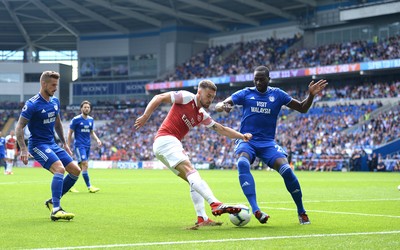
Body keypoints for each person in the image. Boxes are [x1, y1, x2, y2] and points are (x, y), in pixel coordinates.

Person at [215, 65, 328, 225]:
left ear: (269, 79)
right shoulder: (246, 93)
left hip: (267, 143)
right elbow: (222, 104)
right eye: (256, 79)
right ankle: (256, 210)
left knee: (287, 171)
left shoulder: (278, 94)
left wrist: (310, 95)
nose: (258, 82)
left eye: (261, 79)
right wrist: (222, 106)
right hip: (247, 140)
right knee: (242, 163)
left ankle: (301, 212)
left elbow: (302, 108)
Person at [134, 79, 252, 229]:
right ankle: (215, 203)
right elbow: (159, 97)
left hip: (163, 146)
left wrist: (242, 136)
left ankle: (202, 217)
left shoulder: (201, 114)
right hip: (166, 139)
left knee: (192, 179)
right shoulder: (186, 97)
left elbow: (220, 128)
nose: (210, 100)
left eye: (213, 97)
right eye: (208, 96)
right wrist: (146, 116)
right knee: (192, 172)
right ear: (199, 92)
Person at [15, 71, 81, 221]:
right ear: (43, 84)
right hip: (37, 145)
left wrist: (64, 142)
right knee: (59, 169)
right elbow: (19, 127)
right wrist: (23, 149)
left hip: (52, 143)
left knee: (76, 171)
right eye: (53, 85)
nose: (55, 88)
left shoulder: (55, 101)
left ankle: (52, 201)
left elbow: (57, 123)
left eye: (56, 85)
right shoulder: (32, 104)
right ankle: (56, 209)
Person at [67, 100, 102, 193]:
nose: (86, 109)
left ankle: (68, 185)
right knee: (85, 164)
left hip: (87, 146)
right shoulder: (76, 119)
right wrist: (68, 145)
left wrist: (97, 139)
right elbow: (70, 132)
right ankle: (89, 186)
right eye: (85, 107)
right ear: (81, 108)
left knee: (79, 168)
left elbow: (91, 132)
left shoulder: (91, 120)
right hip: (79, 145)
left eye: (88, 107)